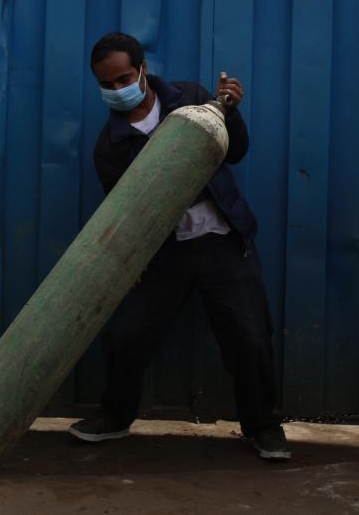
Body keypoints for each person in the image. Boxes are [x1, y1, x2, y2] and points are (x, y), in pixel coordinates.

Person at [68, 32, 290, 461]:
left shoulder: (190, 98)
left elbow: (236, 152)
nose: (117, 89)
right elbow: (127, 213)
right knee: (126, 335)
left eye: (124, 79)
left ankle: (263, 426)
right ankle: (115, 417)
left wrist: (230, 111)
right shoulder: (110, 146)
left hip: (221, 241)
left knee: (250, 337)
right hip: (163, 253)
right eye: (107, 84)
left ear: (143, 70)